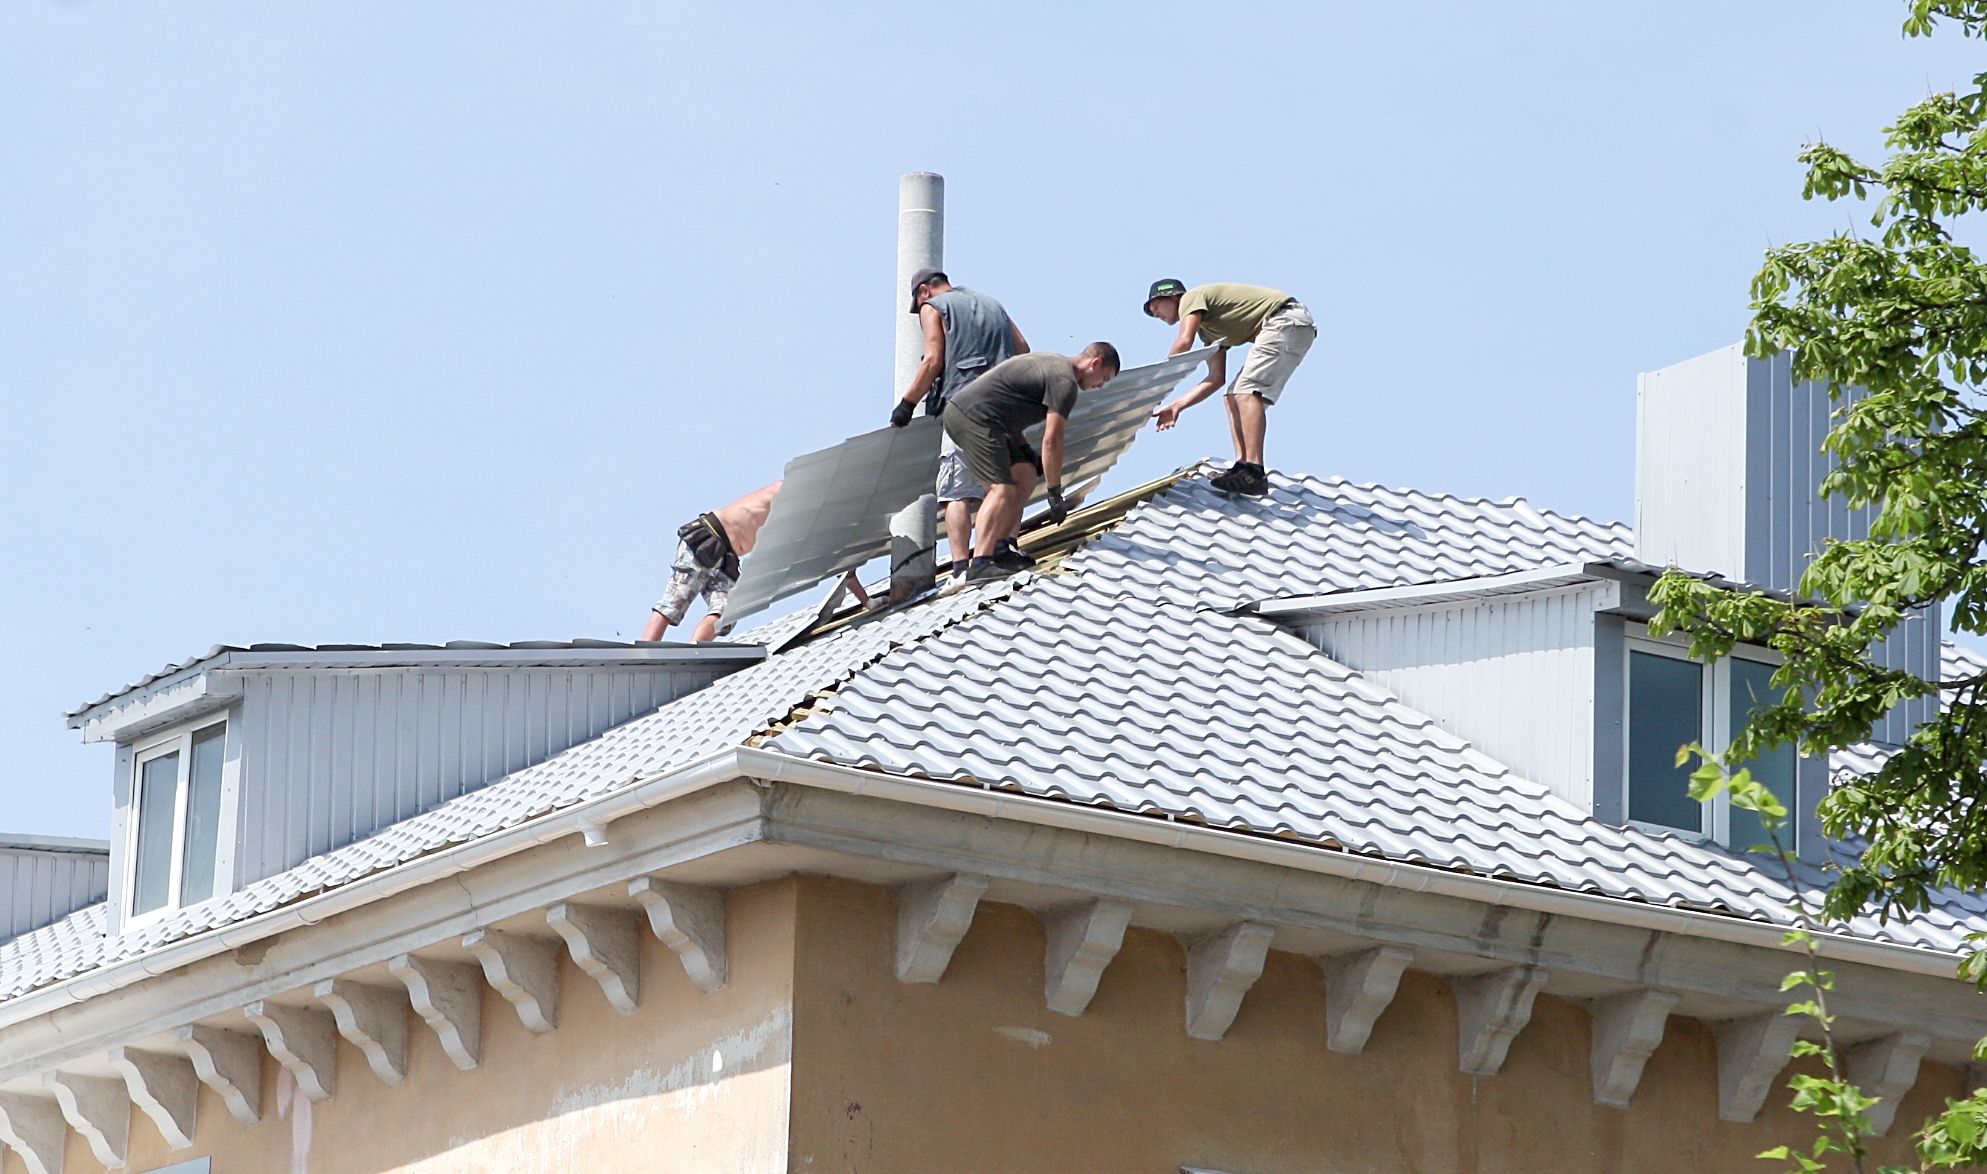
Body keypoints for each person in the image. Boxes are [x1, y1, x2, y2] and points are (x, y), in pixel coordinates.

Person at [888, 268, 1031, 578]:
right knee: (1005, 481)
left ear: (924, 291)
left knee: (958, 490)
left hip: (965, 406)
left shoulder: (933, 306)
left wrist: (907, 404)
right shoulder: (993, 305)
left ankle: (960, 567)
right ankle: (1001, 548)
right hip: (1003, 405)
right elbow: (1022, 349)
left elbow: (933, 360)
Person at [940, 344, 1120, 582]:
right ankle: (981, 563)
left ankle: (1001, 547)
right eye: (1104, 378)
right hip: (972, 417)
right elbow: (1052, 440)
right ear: (1094, 363)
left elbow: (1008, 409)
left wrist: (1025, 449)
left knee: (1025, 472)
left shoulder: (1054, 366)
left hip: (990, 421)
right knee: (1000, 490)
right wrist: (1055, 494)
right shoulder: (1064, 381)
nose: (1101, 385)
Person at [1144, 279, 1317, 497]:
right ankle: (1242, 468)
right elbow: (1216, 378)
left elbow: (1184, 341)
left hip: (1285, 321)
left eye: (1155, 305)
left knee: (1246, 392)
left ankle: (1254, 471)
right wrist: (1177, 405)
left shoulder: (1191, 298)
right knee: (1232, 395)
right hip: (1287, 327)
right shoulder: (1209, 331)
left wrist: (1157, 386)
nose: (1154, 312)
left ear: (1172, 297)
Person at [639, 482, 782, 642]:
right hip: (708, 536)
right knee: (677, 599)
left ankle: (694, 652)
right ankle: (645, 651)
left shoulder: (796, 516)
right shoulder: (789, 489)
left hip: (728, 556)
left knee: (727, 613)